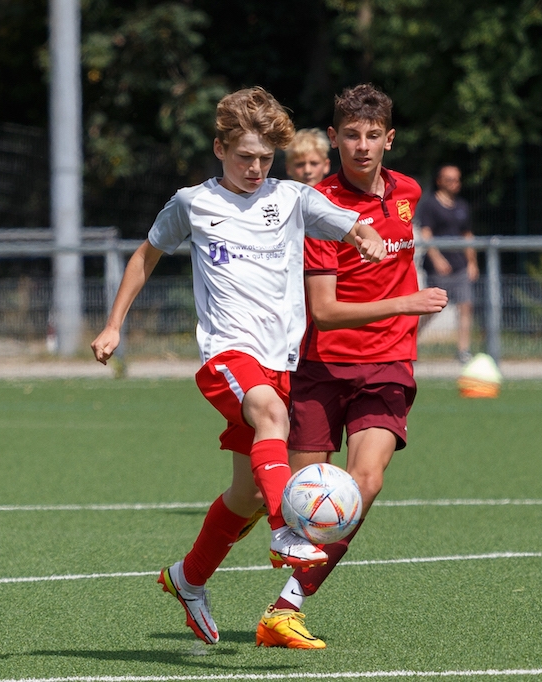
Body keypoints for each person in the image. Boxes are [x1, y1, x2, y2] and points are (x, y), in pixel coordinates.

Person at [89, 86, 387, 646]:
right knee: (271, 414)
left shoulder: (293, 198)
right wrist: (113, 324)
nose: (255, 168)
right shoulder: (192, 203)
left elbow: (351, 223)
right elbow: (146, 255)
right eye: (245, 156)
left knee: (246, 492)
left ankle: (187, 578)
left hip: (279, 362)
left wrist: (366, 235)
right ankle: (285, 530)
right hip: (227, 354)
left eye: (265, 159)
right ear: (220, 148)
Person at [253, 83, 448, 649]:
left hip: (388, 364)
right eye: (352, 136)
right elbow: (325, 311)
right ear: (334, 138)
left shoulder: (408, 192)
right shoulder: (320, 208)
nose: (362, 146)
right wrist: (407, 303)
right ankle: (210, 557)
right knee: (299, 505)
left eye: (373, 135)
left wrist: (401, 313)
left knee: (365, 483)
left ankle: (286, 608)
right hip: (322, 365)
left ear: (389, 139)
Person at [415, 164, 479, 362]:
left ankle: (463, 351)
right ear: (440, 181)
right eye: (450, 179)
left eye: (457, 179)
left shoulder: (462, 206)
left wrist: (472, 262)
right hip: (438, 268)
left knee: (466, 305)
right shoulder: (430, 205)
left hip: (460, 266)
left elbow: (467, 235)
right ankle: (409, 343)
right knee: (432, 308)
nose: (454, 183)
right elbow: (426, 234)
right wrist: (437, 259)